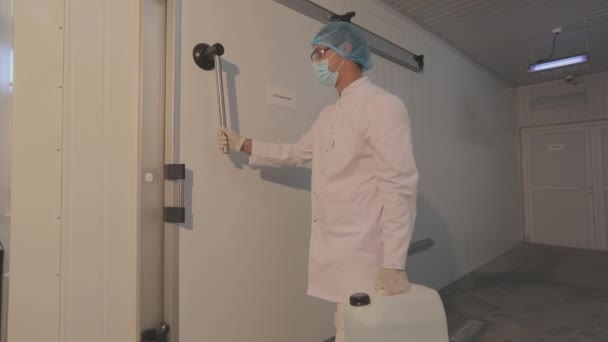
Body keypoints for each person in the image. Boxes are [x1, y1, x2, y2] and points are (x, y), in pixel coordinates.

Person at [217, 21, 418, 341]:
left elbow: (400, 187)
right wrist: (244, 144)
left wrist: (394, 263)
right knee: (345, 325)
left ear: (346, 52)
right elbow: (296, 153)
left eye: (320, 53)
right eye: (314, 55)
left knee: (369, 330)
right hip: (333, 246)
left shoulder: (383, 105)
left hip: (367, 249)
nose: (316, 62)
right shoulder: (329, 115)